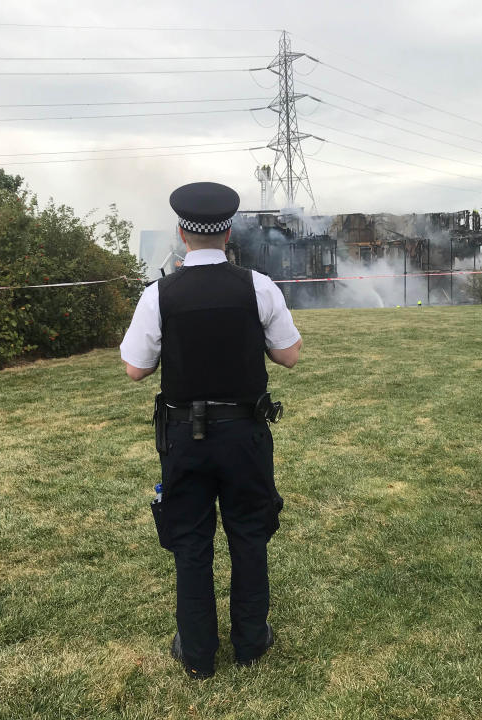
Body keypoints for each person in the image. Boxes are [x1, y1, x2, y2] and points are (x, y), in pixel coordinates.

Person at [120, 181, 302, 678]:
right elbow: (289, 355)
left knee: (191, 541)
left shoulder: (159, 294)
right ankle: (250, 642)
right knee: (249, 534)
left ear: (182, 233)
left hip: (184, 437)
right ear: (228, 233)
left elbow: (136, 368)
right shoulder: (259, 287)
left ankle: (197, 653)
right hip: (244, 435)